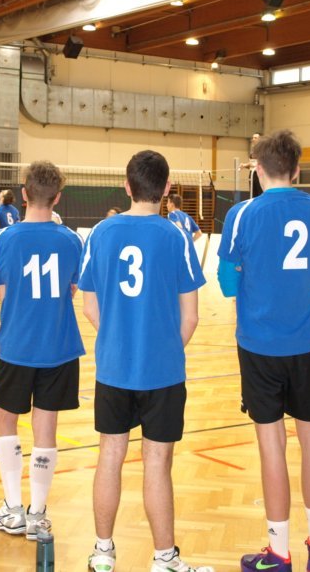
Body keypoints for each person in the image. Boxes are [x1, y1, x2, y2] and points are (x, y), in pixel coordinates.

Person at [79, 150, 211, 572]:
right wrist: (163, 350)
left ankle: (102, 551)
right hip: (163, 372)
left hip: (114, 368)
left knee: (110, 455)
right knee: (157, 462)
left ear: (126, 185)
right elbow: (191, 317)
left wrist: (118, 340)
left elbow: (89, 305)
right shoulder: (176, 237)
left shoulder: (100, 233)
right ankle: (164, 558)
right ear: (167, 188)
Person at [218, 130, 310, 572]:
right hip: (306, 344)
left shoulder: (241, 214)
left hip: (258, 346)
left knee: (272, 446)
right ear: (297, 169)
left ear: (257, 169)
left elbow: (227, 284)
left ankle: (279, 552)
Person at [0, 161, 85, 541]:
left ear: (24, 194)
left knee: (5, 421)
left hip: (17, 346)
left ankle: (13, 509)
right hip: (58, 347)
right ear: (57, 198)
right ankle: (37, 514)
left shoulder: (4, 239)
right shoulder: (72, 240)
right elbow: (73, 289)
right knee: (46, 428)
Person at [239, 132, 262, 198]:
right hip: (252, 174)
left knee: (259, 194)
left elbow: (258, 163)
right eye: (253, 138)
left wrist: (246, 164)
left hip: (259, 174)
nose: (253, 139)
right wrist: (244, 166)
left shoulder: (263, 149)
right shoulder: (252, 150)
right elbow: (251, 166)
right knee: (252, 194)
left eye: (255, 138)